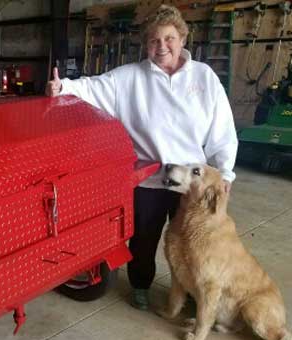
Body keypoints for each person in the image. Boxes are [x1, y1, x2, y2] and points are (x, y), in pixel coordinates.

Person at [46, 5, 238, 310]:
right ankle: (140, 286)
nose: (162, 46)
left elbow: (222, 128)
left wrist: (225, 172)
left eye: (169, 38)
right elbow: (95, 87)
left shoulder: (204, 77)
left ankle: (189, 294)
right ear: (146, 44)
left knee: (193, 243)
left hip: (191, 182)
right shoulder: (130, 78)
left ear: (181, 39)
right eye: (154, 41)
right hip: (148, 179)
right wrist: (63, 86)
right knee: (143, 241)